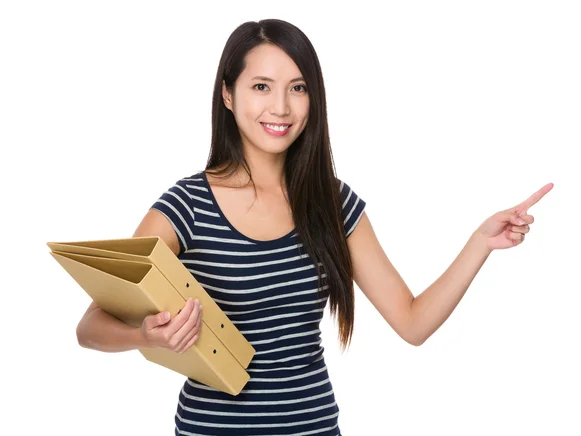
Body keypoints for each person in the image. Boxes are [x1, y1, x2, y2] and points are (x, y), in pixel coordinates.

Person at [75, 18, 553, 436]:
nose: (281, 107)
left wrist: (479, 244)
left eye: (298, 87)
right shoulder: (187, 206)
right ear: (227, 93)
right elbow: (90, 326)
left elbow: (412, 322)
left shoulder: (333, 203)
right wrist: (147, 336)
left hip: (313, 427)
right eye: (261, 86)